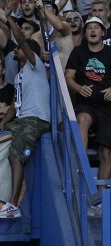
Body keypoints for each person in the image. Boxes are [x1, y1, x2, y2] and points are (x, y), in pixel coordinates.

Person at [0, 10, 51, 219]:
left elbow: (20, 38)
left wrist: (10, 19)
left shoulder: (36, 66)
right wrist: (2, 124)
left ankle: (12, 205)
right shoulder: (20, 75)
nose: (17, 50)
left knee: (14, 156)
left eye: (20, 48)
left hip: (36, 120)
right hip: (22, 118)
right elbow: (13, 106)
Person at [65, 16, 111, 217]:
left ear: (103, 32)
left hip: (108, 107)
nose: (93, 30)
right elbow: (68, 77)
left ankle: (99, 200)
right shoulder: (78, 52)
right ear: (85, 33)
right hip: (86, 104)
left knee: (106, 153)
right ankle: (82, 164)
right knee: (82, 119)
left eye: (97, 27)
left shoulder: (110, 52)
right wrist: (78, 87)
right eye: (89, 27)